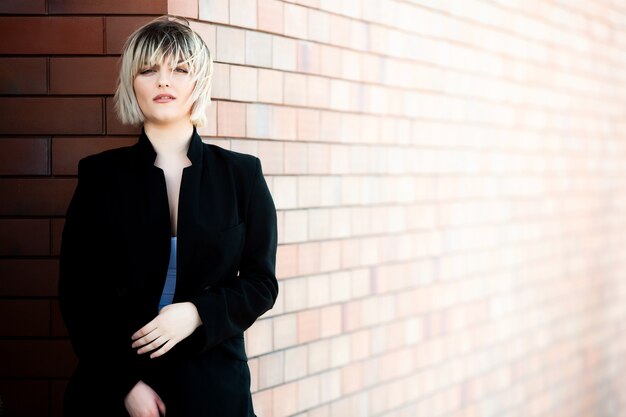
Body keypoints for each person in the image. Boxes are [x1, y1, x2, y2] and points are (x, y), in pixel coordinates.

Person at [58, 15, 278, 417]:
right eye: (149, 70)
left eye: (179, 69)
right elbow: (79, 294)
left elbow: (261, 283)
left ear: (199, 83)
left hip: (213, 386)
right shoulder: (100, 176)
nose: (164, 81)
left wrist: (196, 313)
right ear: (132, 83)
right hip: (115, 387)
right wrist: (124, 383)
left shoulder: (242, 175)